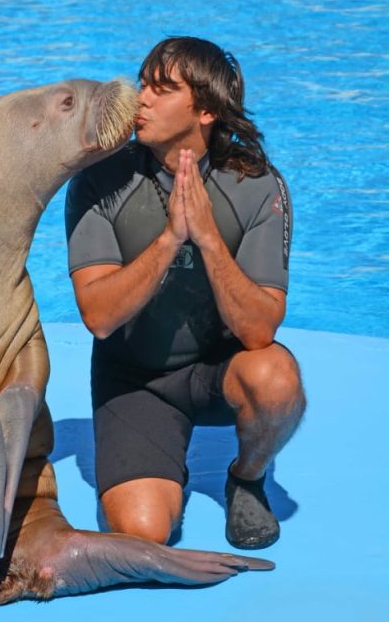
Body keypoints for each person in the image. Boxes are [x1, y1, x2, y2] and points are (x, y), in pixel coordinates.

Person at [65, 36, 305, 549]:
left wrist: (209, 238)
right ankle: (157, 454)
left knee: (277, 379)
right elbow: (98, 317)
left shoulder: (257, 185)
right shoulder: (99, 179)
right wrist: (171, 237)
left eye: (162, 88)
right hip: (136, 376)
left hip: (221, 368)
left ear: (206, 111)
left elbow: (259, 330)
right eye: (143, 83)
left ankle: (246, 477)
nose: (140, 98)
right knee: (143, 533)